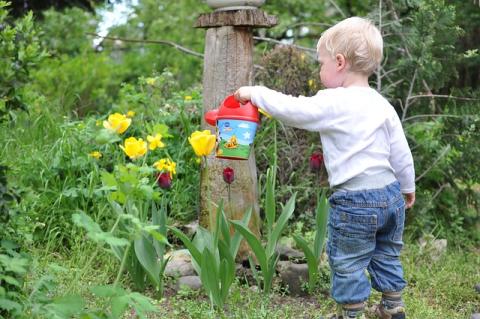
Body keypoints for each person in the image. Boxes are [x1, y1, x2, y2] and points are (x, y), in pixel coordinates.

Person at [234, 16, 415, 319]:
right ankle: (392, 305)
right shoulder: (382, 104)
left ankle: (351, 313)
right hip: (390, 194)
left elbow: (293, 110)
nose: (320, 71)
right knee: (386, 252)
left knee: (348, 259)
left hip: (355, 200)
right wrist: (407, 187)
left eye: (322, 63)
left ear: (340, 62)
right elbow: (401, 152)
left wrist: (255, 93)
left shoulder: (333, 102)